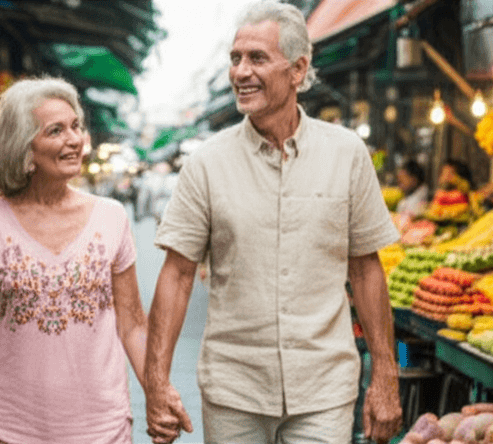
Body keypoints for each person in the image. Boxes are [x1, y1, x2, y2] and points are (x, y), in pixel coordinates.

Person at [143, 2, 403, 443]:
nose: (241, 72)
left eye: (257, 58)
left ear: (298, 70)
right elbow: (177, 274)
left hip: (324, 387)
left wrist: (385, 378)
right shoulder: (206, 164)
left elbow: (365, 268)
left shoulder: (346, 154)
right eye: (235, 59)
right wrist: (156, 381)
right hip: (234, 390)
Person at [0, 77, 149, 444]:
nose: (74, 140)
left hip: (101, 426)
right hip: (13, 427)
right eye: (55, 131)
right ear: (24, 148)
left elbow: (132, 324)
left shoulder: (111, 217)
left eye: (76, 127)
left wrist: (159, 393)